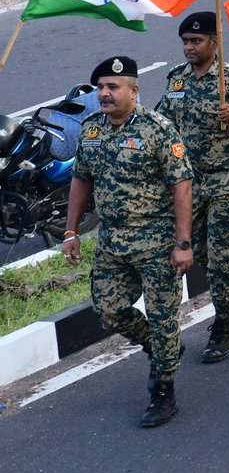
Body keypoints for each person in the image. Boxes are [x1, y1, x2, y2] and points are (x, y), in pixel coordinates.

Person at [64, 56, 194, 427]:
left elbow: (181, 184)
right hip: (112, 243)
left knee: (163, 315)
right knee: (108, 310)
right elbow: (81, 179)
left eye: (112, 87)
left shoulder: (158, 129)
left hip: (156, 241)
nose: (104, 94)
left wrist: (182, 242)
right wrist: (71, 231)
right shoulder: (91, 130)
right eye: (100, 88)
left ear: (134, 91)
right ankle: (159, 346)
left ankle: (162, 390)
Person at [155, 12, 229, 364]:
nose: (189, 48)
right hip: (189, 181)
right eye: (186, 42)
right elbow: (162, 122)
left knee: (220, 254)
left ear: (213, 42)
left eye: (196, 41)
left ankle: (222, 326)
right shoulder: (176, 80)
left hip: (227, 178)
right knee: (201, 252)